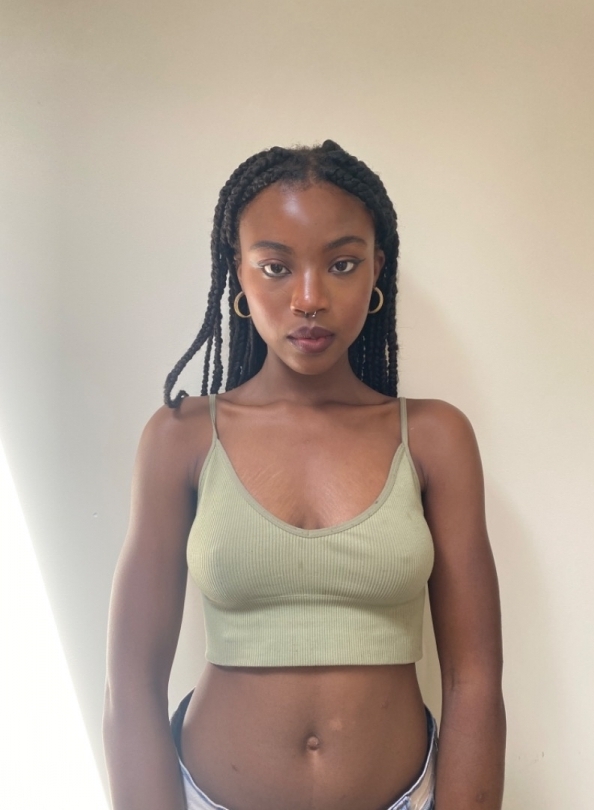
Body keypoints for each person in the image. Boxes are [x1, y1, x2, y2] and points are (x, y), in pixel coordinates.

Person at [103, 140, 506, 810]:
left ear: (377, 270)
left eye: (342, 264)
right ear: (238, 272)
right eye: (276, 267)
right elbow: (130, 685)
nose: (310, 298)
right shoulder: (181, 438)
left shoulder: (435, 438)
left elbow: (476, 680)